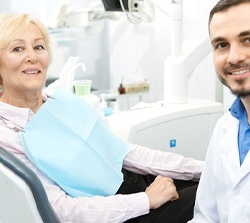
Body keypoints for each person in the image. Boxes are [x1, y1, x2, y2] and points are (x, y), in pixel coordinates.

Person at [0, 13, 202, 223]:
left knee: (215, 181)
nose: (32, 56)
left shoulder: (61, 102)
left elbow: (125, 152)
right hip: (114, 212)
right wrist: (146, 200)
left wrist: (201, 169)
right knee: (212, 196)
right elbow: (60, 210)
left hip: (134, 184)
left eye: (39, 47)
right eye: (17, 48)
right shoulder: (7, 136)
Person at [189, 0, 250, 223]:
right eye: (222, 44)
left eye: (248, 39)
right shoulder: (225, 127)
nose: (233, 57)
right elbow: (205, 215)